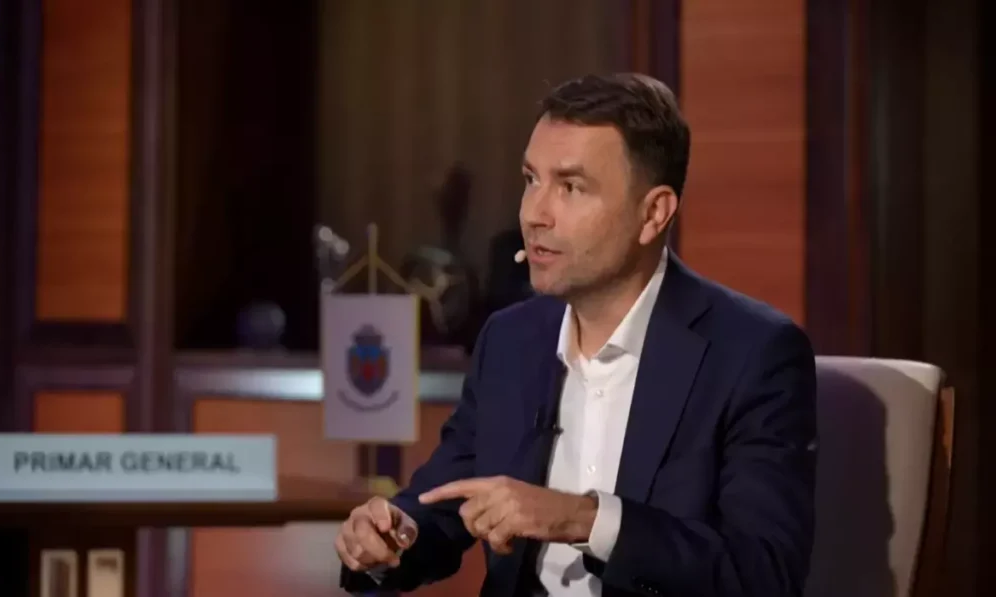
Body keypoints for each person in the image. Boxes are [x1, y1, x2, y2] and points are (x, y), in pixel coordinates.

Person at [335, 73, 817, 597]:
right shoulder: (511, 342)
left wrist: (584, 519)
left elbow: (762, 574)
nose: (533, 215)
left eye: (570, 187)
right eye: (531, 180)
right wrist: (390, 536)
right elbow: (441, 504)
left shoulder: (751, 355)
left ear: (652, 213)